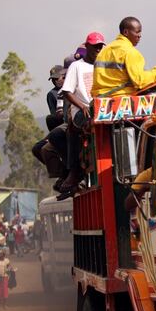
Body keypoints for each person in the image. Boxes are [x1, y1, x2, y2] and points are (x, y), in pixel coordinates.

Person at [57, 32, 106, 198]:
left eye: (101, 46)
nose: (98, 49)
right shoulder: (76, 66)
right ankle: (74, 171)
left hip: (102, 108)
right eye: (95, 46)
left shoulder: (103, 65)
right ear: (88, 47)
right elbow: (67, 92)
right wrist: (82, 105)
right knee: (80, 125)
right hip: (82, 111)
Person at [91, 17, 156, 98]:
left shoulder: (104, 51)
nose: (139, 36)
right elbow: (140, 81)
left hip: (100, 102)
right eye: (137, 32)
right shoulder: (130, 52)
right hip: (121, 102)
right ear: (126, 32)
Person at [45, 65, 66, 131]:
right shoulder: (51, 94)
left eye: (56, 78)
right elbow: (55, 115)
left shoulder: (73, 87)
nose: (55, 81)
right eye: (53, 79)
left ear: (64, 76)